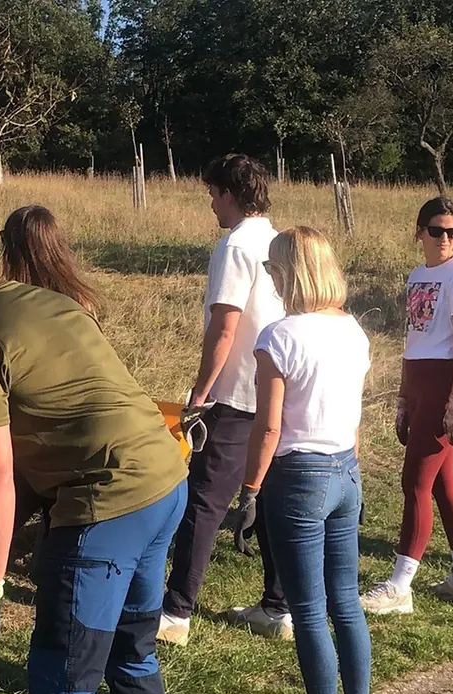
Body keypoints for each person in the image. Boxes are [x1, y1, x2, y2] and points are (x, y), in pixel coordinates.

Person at [0, 208, 187, 694]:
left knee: (63, 678)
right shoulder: (54, 301)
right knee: (132, 654)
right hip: (167, 477)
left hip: (107, 503)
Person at [220, 226, 372, 694]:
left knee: (308, 611)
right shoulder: (353, 329)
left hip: (298, 475)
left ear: (288, 272)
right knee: (346, 602)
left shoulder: (279, 336)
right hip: (345, 468)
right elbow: (354, 416)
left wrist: (249, 491)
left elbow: (269, 428)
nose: (270, 276)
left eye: (272, 268)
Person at [0, 204, 94, 693]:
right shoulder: (76, 302)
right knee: (55, 552)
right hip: (74, 450)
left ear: (9, 249)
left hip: (29, 451)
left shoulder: (14, 305)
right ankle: (44, 649)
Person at [162, 153, 290, 646]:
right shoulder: (277, 240)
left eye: (213, 194)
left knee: (203, 502)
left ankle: (176, 612)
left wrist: (201, 391)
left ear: (230, 194)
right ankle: (277, 606)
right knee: (272, 498)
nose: (211, 204)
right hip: (277, 392)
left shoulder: (235, 245)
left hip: (236, 394)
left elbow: (224, 324)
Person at [362, 196, 453, 615]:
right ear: (419, 232)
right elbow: (413, 338)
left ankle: (399, 587)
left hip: (444, 385)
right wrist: (403, 395)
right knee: (441, 484)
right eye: (437, 231)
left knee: (414, 482)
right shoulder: (418, 276)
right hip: (419, 382)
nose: (445, 238)